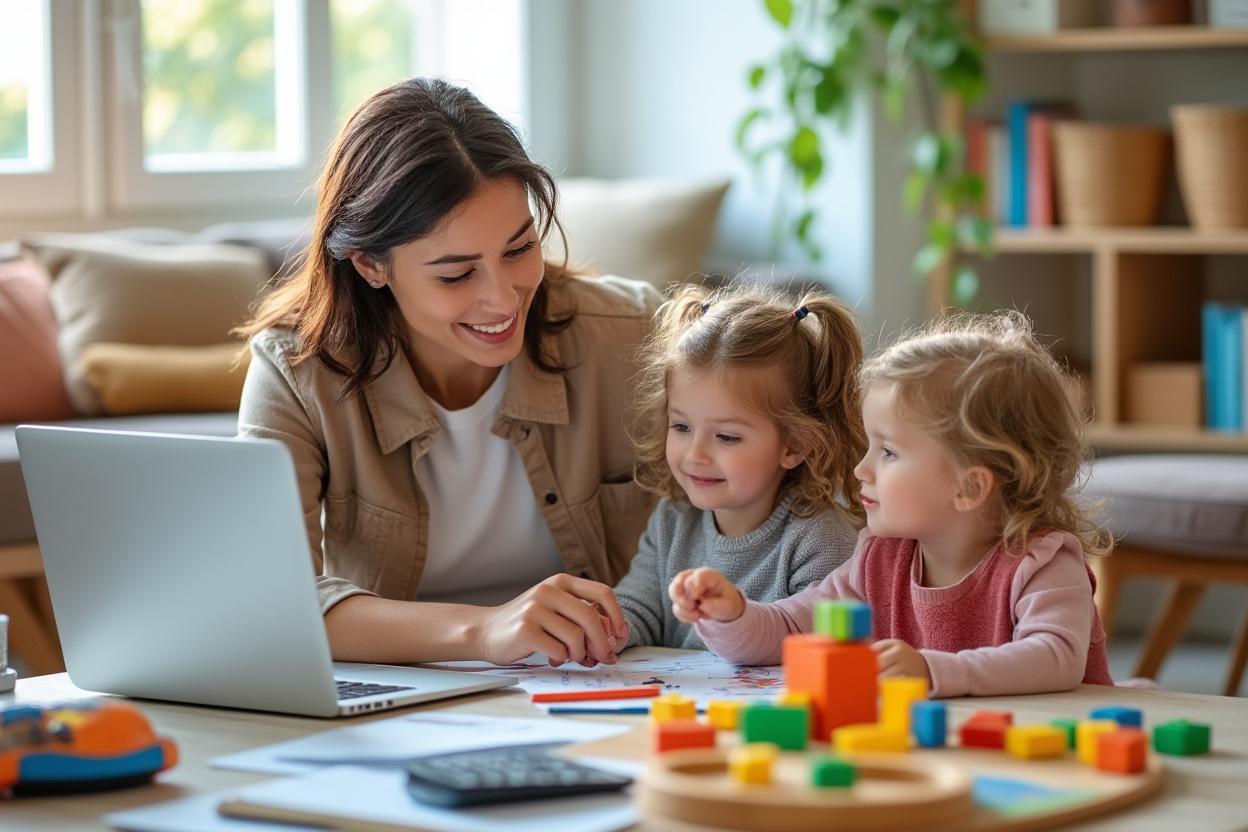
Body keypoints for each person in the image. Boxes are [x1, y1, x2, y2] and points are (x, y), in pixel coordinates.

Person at [235, 78, 661, 667]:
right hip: (406, 704)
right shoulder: (298, 373)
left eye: (518, 250)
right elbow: (271, 600)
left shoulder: (630, 334)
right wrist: (484, 631)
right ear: (370, 265)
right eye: (456, 274)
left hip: (603, 684)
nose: (503, 299)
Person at [672, 311, 1115, 697]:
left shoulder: (1042, 565)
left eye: (888, 452)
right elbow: (786, 630)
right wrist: (731, 615)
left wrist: (932, 670)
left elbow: (1056, 656)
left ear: (969, 487)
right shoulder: (878, 561)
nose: (861, 470)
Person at [611, 282, 865, 650]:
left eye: (727, 437)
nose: (695, 454)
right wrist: (598, 628)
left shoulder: (821, 540)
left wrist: (734, 618)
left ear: (794, 445)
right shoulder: (673, 519)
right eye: (681, 426)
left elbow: (819, 646)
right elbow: (639, 610)